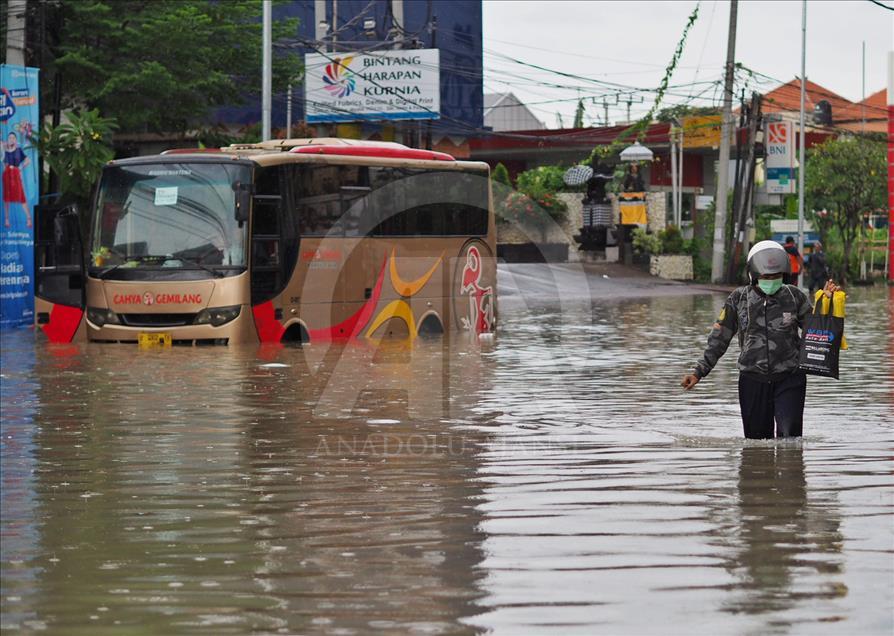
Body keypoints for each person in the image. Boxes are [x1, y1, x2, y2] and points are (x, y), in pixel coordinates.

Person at [680, 240, 841, 439]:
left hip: (790, 377)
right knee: (756, 443)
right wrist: (699, 372)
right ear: (754, 275)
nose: (771, 280)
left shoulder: (794, 296)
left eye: (776, 276)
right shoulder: (738, 299)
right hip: (752, 379)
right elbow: (719, 339)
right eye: (766, 276)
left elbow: (817, 333)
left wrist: (825, 303)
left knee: (790, 439)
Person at [2, 132, 32, 229]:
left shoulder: (19, 150)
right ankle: (7, 219)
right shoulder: (4, 152)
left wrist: (20, 168)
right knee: (6, 197)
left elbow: (28, 160)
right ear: (8, 140)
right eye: (9, 138)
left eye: (13, 138)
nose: (11, 139)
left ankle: (28, 218)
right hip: (7, 176)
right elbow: (3, 164)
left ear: (15, 139)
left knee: (21, 196)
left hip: (16, 175)